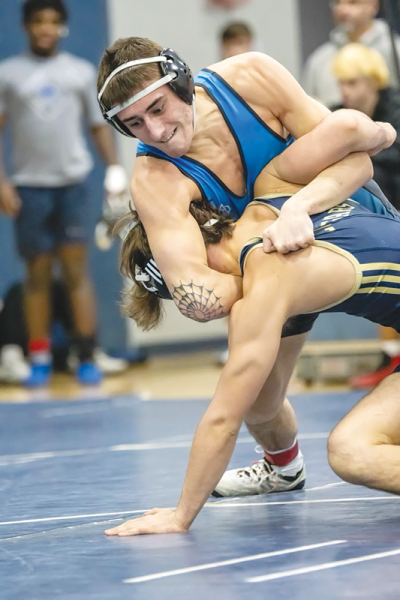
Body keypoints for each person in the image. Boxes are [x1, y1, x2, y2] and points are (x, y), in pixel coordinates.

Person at [97, 36, 396, 495]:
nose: (155, 132)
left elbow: (358, 158)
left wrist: (299, 207)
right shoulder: (155, 179)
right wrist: (250, 275)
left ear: (180, 80)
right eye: (135, 124)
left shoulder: (250, 80)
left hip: (338, 211)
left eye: (157, 109)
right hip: (273, 254)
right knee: (257, 401)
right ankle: (284, 468)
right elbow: (199, 300)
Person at [0, 0, 128, 387]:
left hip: (72, 185)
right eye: (38, 21)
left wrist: (114, 170)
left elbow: (97, 127)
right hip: (29, 189)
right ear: (26, 26)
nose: (46, 28)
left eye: (53, 22)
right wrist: (2, 183)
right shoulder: (8, 74)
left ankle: (86, 354)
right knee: (36, 276)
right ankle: (37, 355)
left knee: (76, 273)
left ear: (62, 28)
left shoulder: (79, 72)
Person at [331, 43, 400, 387]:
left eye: (354, 83)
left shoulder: (397, 112)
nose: (345, 92)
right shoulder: (333, 117)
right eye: (341, 83)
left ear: (374, 82)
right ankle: (392, 356)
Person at [302, 0, 400, 107]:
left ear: (374, 6)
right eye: (337, 3)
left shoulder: (395, 51)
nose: (343, 10)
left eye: (353, 2)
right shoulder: (319, 62)